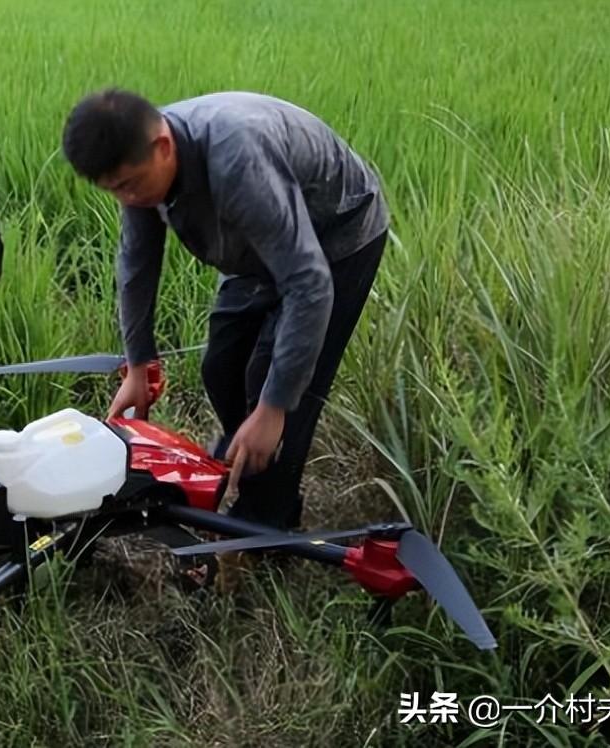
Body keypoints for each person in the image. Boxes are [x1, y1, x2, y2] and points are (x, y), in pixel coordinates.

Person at [61, 89, 389, 531]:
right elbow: (137, 265)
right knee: (221, 367)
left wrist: (273, 409)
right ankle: (251, 462)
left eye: (129, 185)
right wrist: (138, 363)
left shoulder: (236, 160)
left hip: (335, 238)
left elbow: (308, 283)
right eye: (113, 190)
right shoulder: (141, 174)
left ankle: (265, 527)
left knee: (274, 388)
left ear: (163, 146)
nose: (127, 198)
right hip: (254, 242)